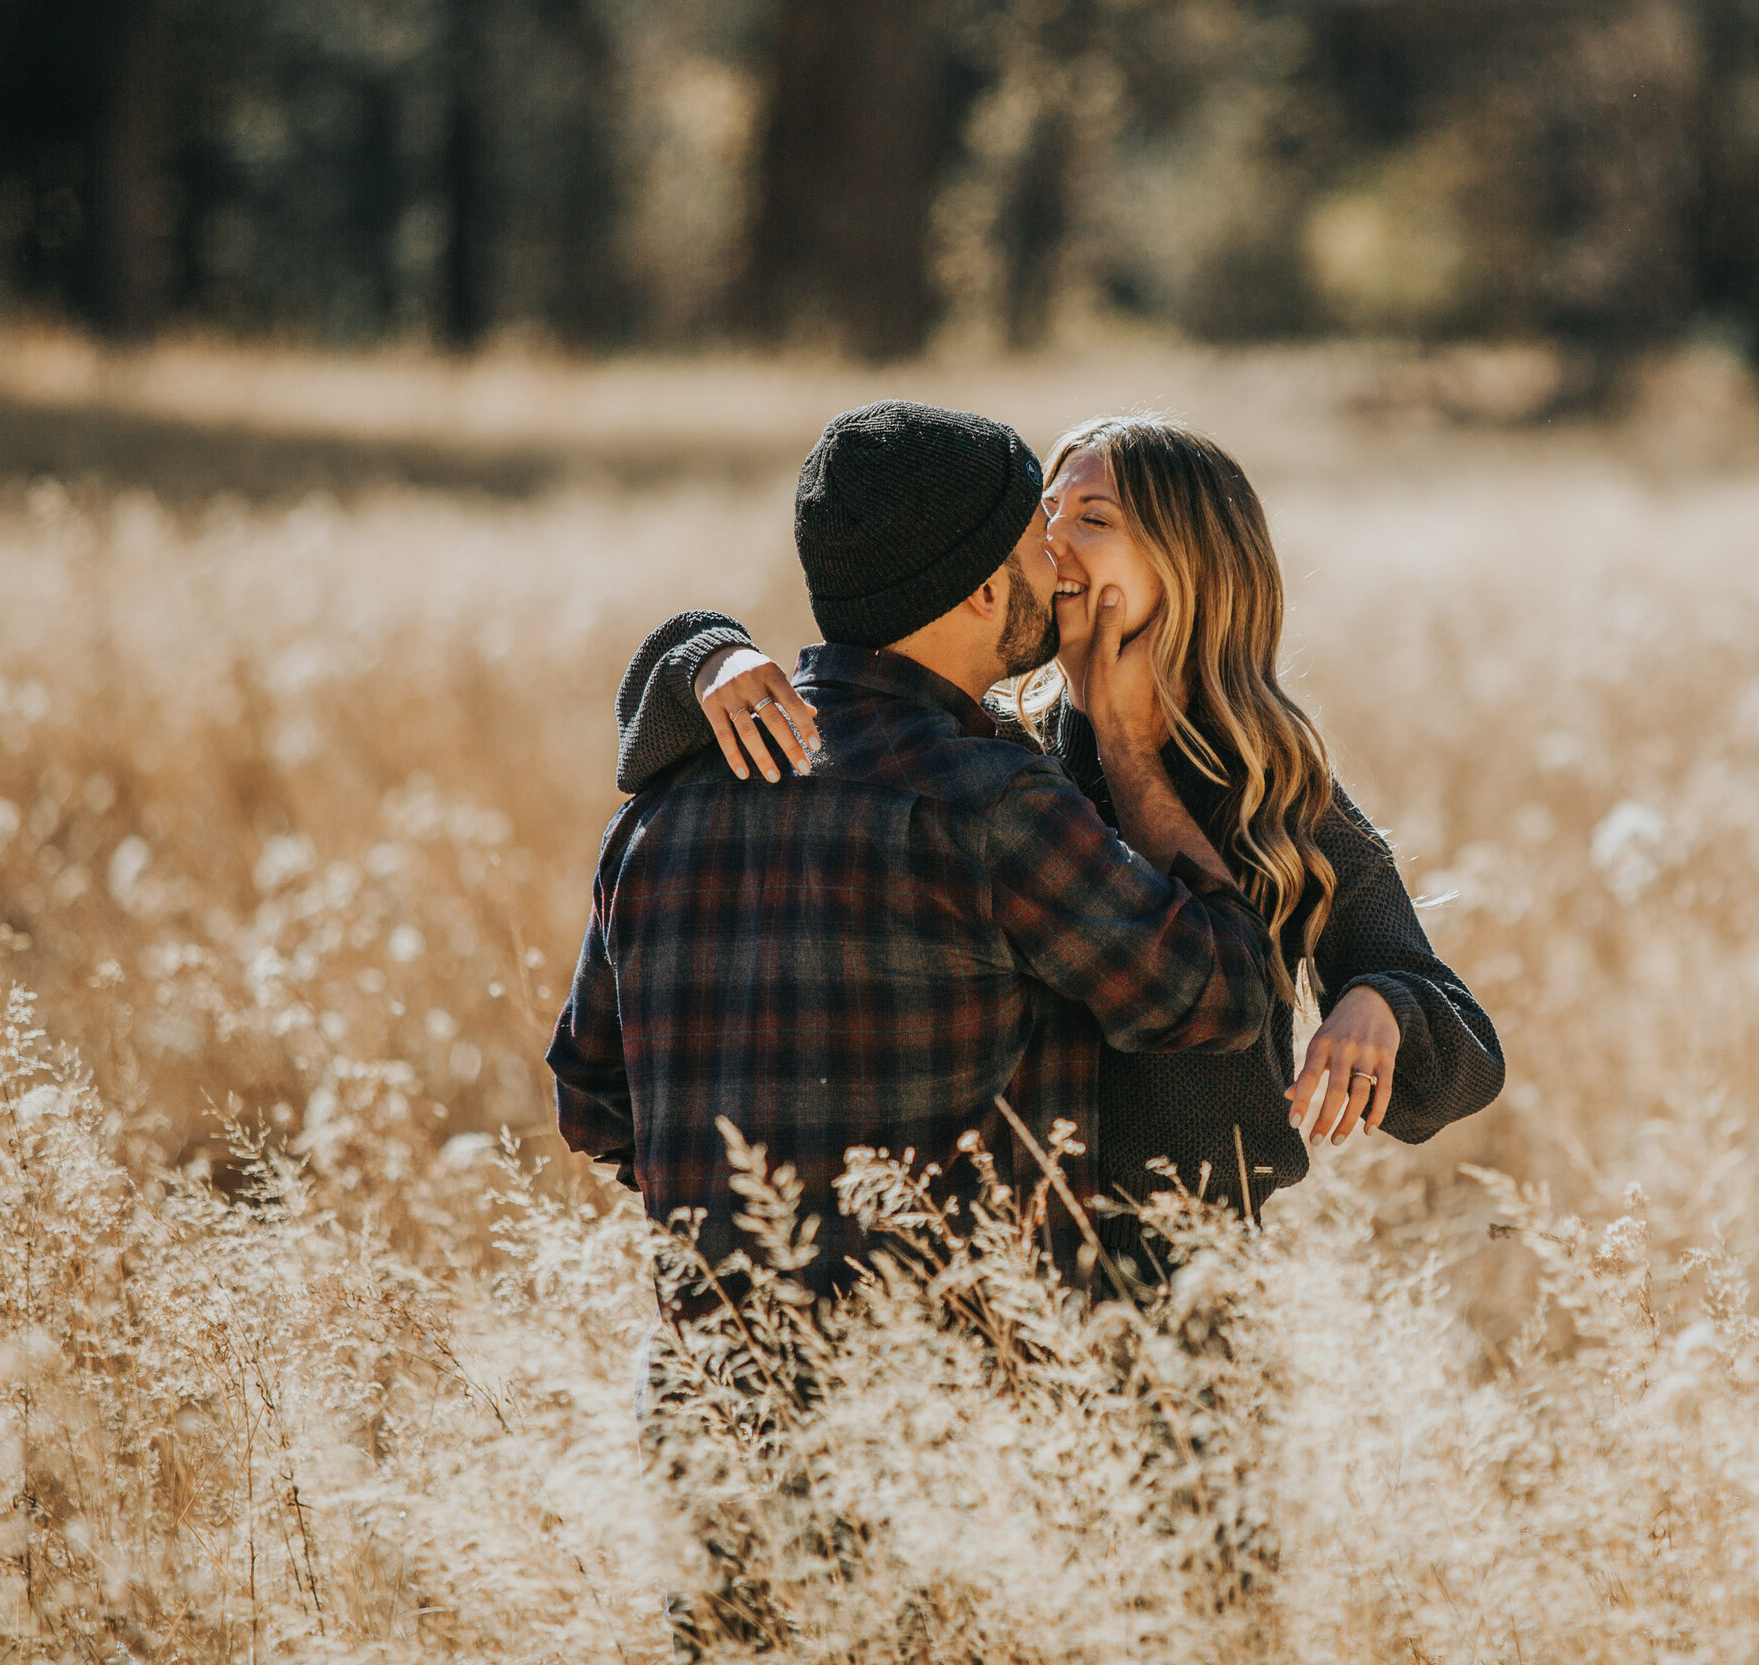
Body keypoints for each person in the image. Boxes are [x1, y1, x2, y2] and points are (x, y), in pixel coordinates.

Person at [618, 414, 1504, 1267]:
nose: (1052, 544)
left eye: (1095, 518)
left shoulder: (1270, 783)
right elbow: (825, 710)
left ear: (1190, 561)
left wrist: (1383, 1000)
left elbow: (1463, 1053)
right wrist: (703, 652)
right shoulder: (992, 750)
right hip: (1023, 1288)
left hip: (1193, 1283)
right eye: (1045, 516)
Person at [544, 400, 1275, 1297]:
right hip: (947, 1406)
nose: (1061, 562)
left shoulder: (658, 813)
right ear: (982, 592)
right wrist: (1124, 745)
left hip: (715, 1408)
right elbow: (1223, 993)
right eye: (1037, 543)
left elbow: (591, 1104)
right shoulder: (993, 804)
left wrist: (749, 1221)